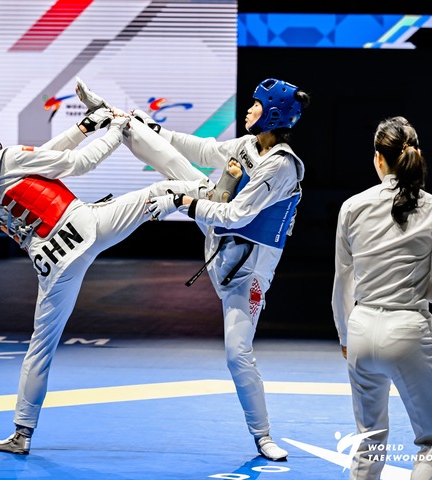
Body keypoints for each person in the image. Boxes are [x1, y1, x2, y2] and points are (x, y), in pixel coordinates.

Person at [0, 80, 214, 455]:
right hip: (86, 226)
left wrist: (83, 127)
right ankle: (213, 200)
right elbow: (80, 163)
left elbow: (42, 158)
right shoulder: (8, 158)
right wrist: (115, 129)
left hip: (53, 264)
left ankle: (22, 432)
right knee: (165, 191)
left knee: (40, 348)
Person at [119, 78, 311, 461]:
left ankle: (263, 436)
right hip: (219, 244)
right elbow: (206, 150)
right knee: (176, 165)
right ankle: (122, 125)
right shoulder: (248, 145)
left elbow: (237, 216)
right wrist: (153, 129)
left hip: (247, 272)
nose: (249, 109)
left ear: (273, 115)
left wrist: (182, 203)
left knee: (237, 354)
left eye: (256, 105)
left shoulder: (281, 166)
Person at [330, 116, 432, 479]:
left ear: (379, 158)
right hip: (408, 330)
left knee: (369, 441)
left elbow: (343, 280)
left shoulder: (352, 206)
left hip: (361, 329)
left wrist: (345, 334)